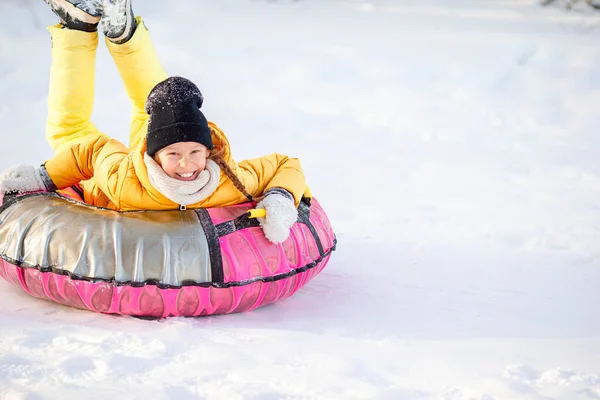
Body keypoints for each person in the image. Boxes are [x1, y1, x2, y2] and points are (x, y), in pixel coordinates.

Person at [0, 0, 306, 244]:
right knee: (70, 129)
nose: (187, 165)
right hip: (122, 177)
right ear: (152, 154)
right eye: (174, 154)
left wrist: (281, 198)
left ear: (209, 151)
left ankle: (123, 34)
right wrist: (44, 177)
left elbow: (285, 164)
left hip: (150, 169)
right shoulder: (123, 180)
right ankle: (78, 29)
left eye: (195, 152)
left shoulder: (228, 180)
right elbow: (90, 151)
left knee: (155, 111)